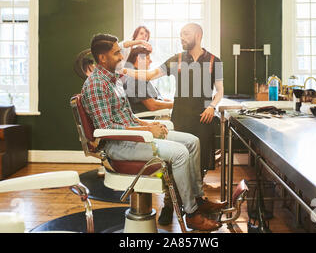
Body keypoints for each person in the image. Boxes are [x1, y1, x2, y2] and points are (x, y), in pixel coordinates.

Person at [81, 33, 225, 231]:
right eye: (116, 54)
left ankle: (198, 199)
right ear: (102, 58)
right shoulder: (97, 85)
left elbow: (127, 118)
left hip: (134, 137)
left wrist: (148, 126)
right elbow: (107, 128)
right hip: (119, 145)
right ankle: (191, 213)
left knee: (192, 141)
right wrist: (148, 129)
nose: (121, 57)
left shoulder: (113, 79)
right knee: (181, 153)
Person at [123, 23, 224, 172]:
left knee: (201, 160)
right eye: (181, 34)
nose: (182, 38)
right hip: (181, 118)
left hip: (204, 118)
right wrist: (125, 70)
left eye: (186, 34)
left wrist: (212, 106)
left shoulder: (215, 61)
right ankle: (176, 194)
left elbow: (220, 91)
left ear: (198, 36)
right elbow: (150, 75)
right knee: (180, 159)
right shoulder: (176, 59)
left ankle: (196, 193)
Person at [123, 47, 173, 114]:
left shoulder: (141, 77)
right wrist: (175, 105)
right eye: (148, 58)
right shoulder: (136, 79)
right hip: (149, 119)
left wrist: (170, 101)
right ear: (139, 58)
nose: (151, 61)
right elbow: (153, 106)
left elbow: (155, 99)